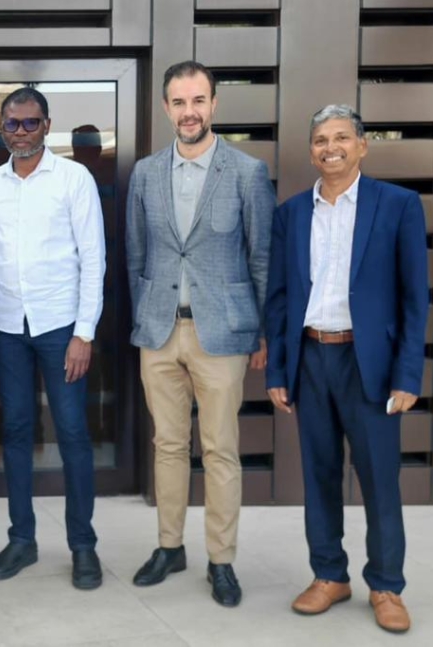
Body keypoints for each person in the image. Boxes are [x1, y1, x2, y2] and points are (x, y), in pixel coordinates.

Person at [265, 104, 428, 634]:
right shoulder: (291, 213)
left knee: (379, 478)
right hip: (312, 357)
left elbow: (414, 298)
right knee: (319, 473)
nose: (329, 148)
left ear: (362, 145)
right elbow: (279, 298)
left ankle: (386, 584)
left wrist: (408, 375)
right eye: (320, 139)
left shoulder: (398, 205)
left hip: (370, 362)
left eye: (341, 137)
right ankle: (329, 575)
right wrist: (278, 370)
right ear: (311, 150)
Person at [125, 60, 274, 607]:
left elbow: (261, 258)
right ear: (167, 108)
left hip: (223, 333)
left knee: (219, 450)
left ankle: (221, 559)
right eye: (179, 102)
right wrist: (144, 318)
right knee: (167, 445)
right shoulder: (145, 173)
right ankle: (169, 547)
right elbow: (136, 255)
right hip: (160, 332)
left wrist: (262, 332)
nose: (189, 112)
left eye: (198, 101)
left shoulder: (247, 173)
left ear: (214, 105)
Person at [0, 87, 106, 591]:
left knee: (72, 434)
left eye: (30, 123)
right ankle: (21, 540)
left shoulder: (74, 178)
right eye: (12, 123)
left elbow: (93, 258)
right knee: (16, 432)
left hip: (61, 327)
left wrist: (84, 333)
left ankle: (83, 546)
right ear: (2, 127)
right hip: (7, 326)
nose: (21, 132)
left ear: (47, 125)